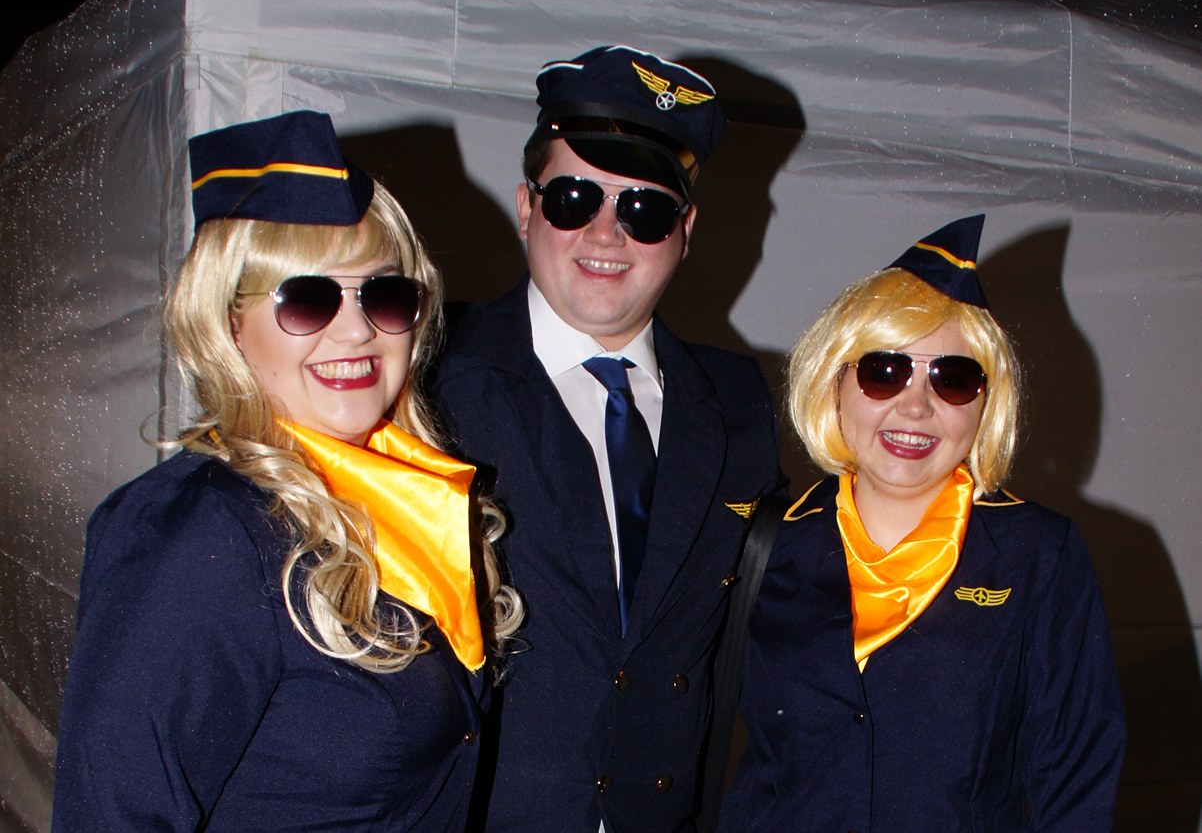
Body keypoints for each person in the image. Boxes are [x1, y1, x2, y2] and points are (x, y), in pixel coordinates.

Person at [52, 110, 521, 831]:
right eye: (307, 298)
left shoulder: (404, 493)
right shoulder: (197, 531)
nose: (357, 329)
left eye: (383, 293)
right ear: (228, 323)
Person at [431, 46, 783, 831]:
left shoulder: (737, 404)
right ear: (526, 208)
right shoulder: (427, 372)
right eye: (574, 198)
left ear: (685, 231)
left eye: (644, 210)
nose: (606, 232)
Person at [718, 214, 1126, 830]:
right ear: (836, 382)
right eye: (884, 371)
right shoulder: (760, 544)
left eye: (952, 379)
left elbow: (1077, 776)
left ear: (986, 404)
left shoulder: (1039, 554)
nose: (915, 406)